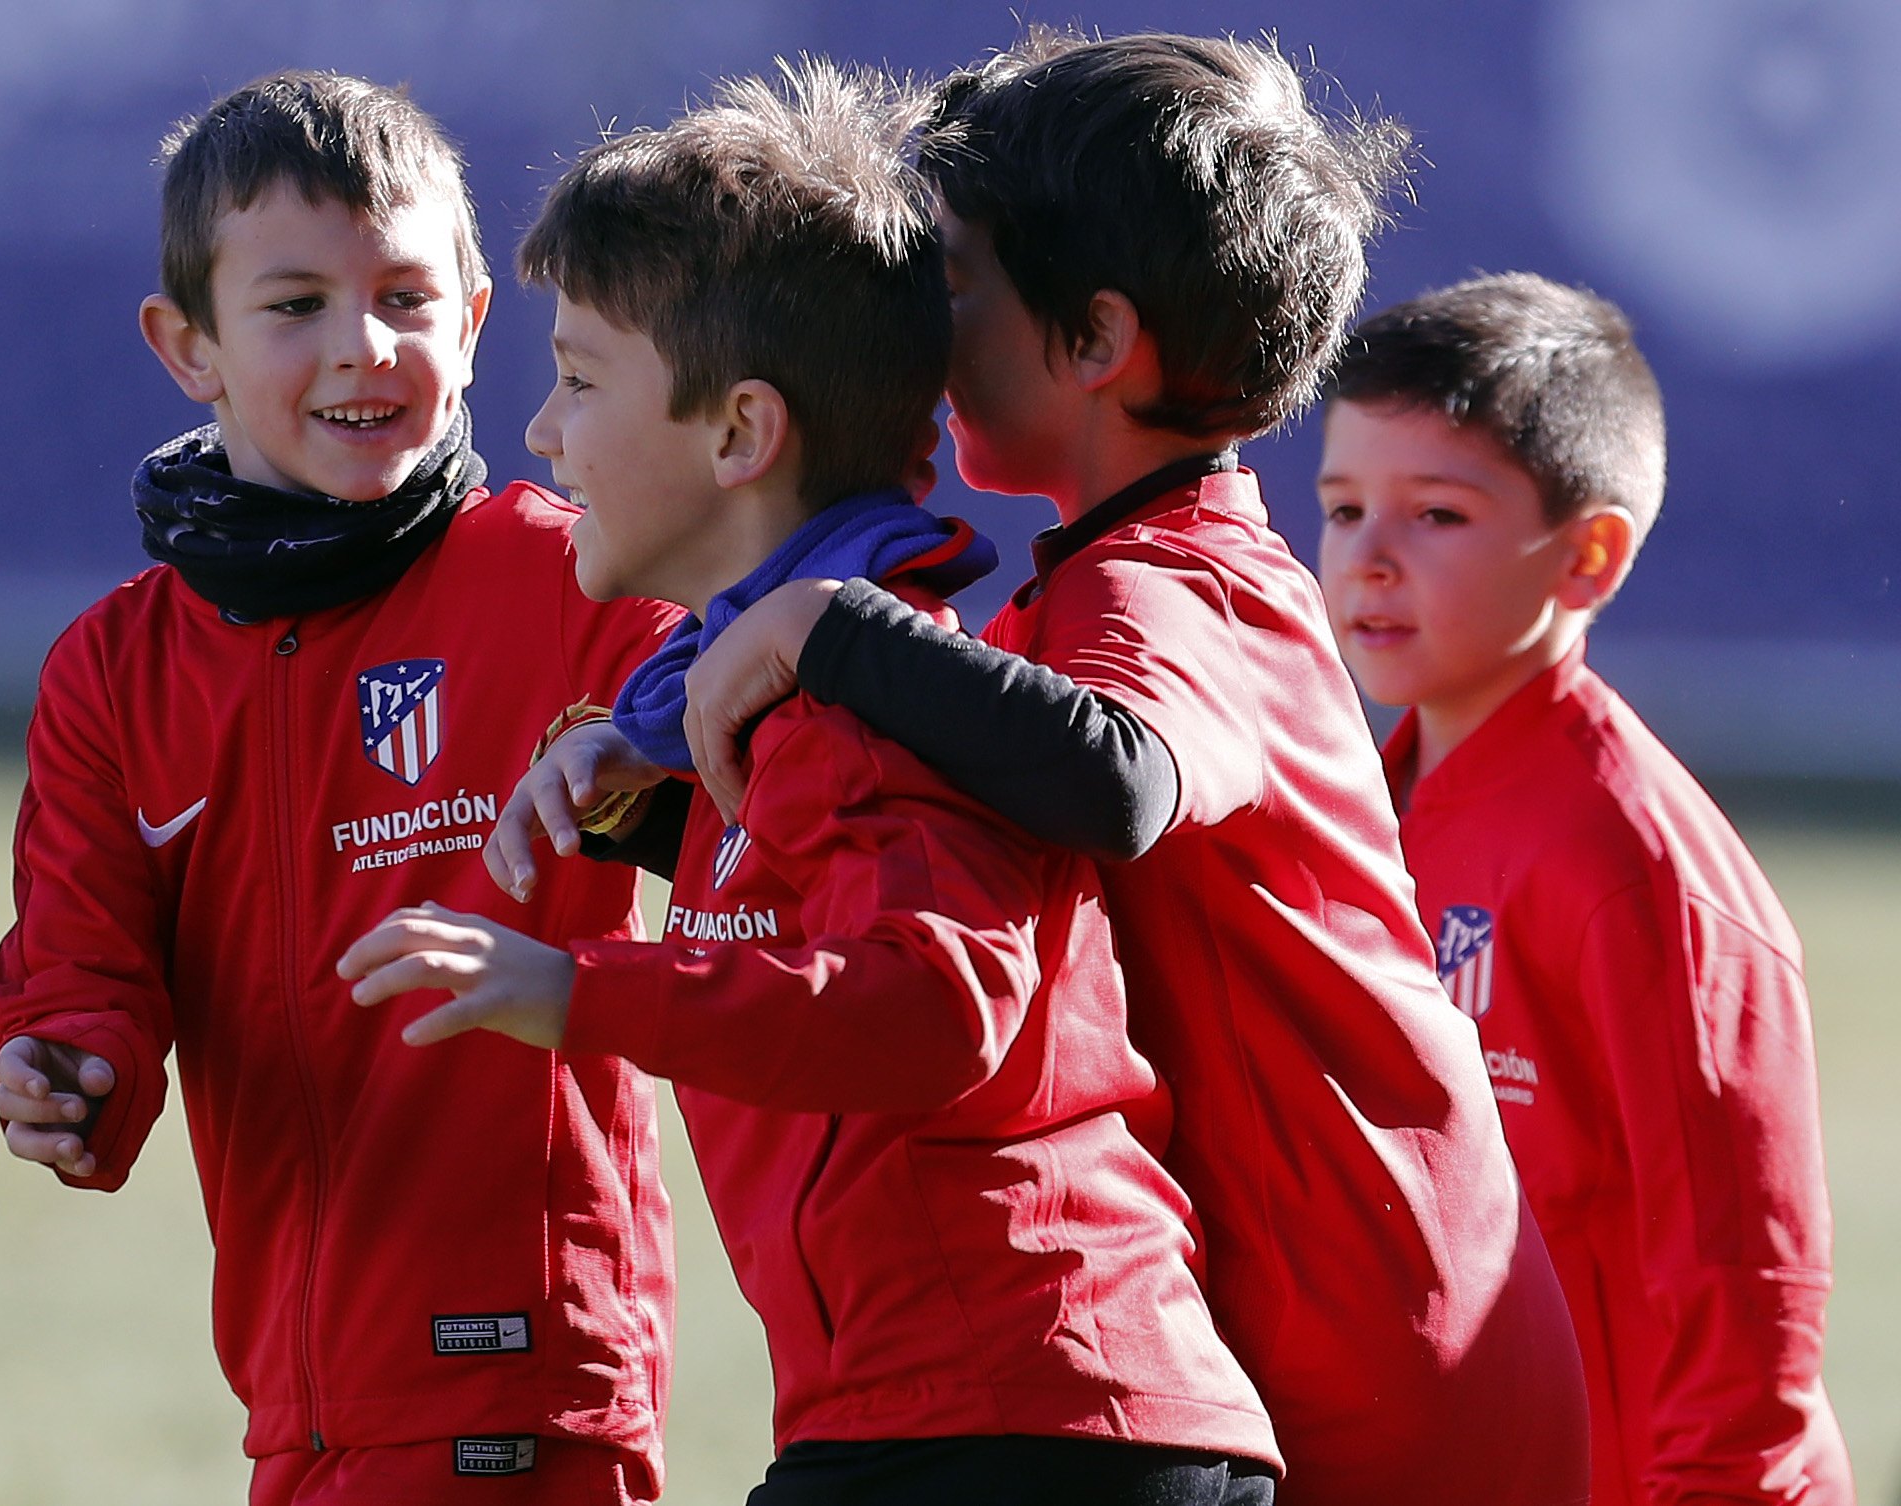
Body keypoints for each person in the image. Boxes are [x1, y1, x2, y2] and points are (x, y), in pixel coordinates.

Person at [510, 32, 1593, 1506]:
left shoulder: (1179, 583)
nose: (923, 329)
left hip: (1380, 1335)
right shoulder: (1072, 601)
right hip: (1315, 1326)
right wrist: (659, 802)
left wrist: (827, 622)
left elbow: (1117, 782)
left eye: (956, 281)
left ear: (1094, 343)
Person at [341, 61, 1284, 1506]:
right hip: (958, 1416)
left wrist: (576, 987)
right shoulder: (775, 691)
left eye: (581, 378)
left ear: (740, 434)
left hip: (1025, 1425)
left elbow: (933, 1004)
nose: (539, 432)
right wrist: (641, 786)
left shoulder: (864, 698)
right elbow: (809, 881)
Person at [0, 72, 681, 1506]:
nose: (363, 348)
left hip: (524, 1400)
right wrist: (68, 1072)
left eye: (408, 299)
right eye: (294, 304)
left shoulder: (581, 579)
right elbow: (80, 973)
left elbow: (778, 788)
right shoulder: (114, 673)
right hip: (295, 1420)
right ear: (189, 347)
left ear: (479, 323)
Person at [1316, 272, 1854, 1506]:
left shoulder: (1636, 875)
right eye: (1342, 508)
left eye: (1436, 516)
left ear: (1587, 556)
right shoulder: (1346, 815)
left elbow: (1741, 1308)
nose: (1370, 558)